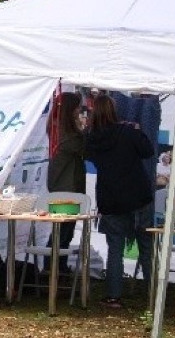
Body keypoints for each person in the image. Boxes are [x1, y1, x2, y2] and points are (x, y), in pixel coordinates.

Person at [84, 94, 154, 309]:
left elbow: (91, 157)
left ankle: (114, 296)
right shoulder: (127, 132)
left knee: (115, 248)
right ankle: (154, 295)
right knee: (146, 247)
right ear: (114, 111)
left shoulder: (91, 138)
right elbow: (148, 151)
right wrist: (137, 130)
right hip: (138, 196)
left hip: (111, 198)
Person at [44, 91, 86, 272]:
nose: (79, 111)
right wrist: (83, 129)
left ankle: (58, 268)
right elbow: (81, 146)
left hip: (65, 186)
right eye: (77, 107)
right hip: (65, 188)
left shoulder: (57, 128)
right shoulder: (64, 132)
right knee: (62, 233)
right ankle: (51, 270)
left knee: (65, 232)